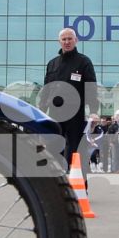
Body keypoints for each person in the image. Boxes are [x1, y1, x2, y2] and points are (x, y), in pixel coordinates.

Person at [40, 26, 97, 173]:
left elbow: (91, 88)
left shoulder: (83, 62)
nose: (67, 42)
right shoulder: (52, 64)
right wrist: (41, 111)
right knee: (53, 149)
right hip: (54, 114)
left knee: (76, 151)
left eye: (70, 38)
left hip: (75, 114)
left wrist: (94, 111)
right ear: (59, 42)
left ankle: (79, 189)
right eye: (64, 39)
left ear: (76, 40)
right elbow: (46, 90)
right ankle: (56, 189)